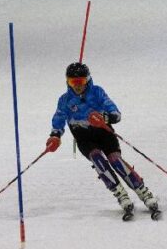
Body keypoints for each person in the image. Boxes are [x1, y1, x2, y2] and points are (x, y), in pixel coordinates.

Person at [45, 62, 159, 218]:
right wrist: (55, 136)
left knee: (115, 160)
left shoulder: (97, 92)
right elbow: (58, 119)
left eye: (81, 82)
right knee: (98, 159)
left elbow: (115, 112)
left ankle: (143, 192)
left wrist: (106, 117)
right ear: (67, 82)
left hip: (104, 133)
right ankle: (121, 195)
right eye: (73, 82)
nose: (77, 86)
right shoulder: (65, 100)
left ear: (88, 80)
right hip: (84, 138)